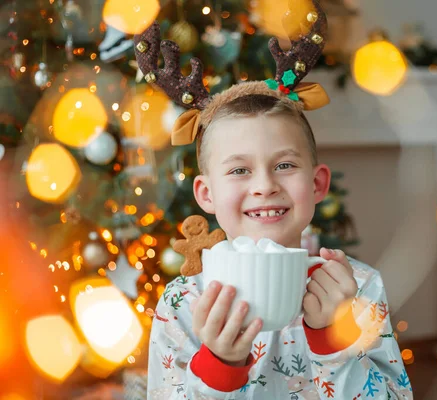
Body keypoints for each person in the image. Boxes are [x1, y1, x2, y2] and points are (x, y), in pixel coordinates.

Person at [137, 2, 412, 398]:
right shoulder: (184, 302)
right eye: (238, 170)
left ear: (317, 185)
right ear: (206, 194)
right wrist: (219, 366)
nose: (264, 186)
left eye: (284, 165)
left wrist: (334, 341)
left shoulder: (358, 288)